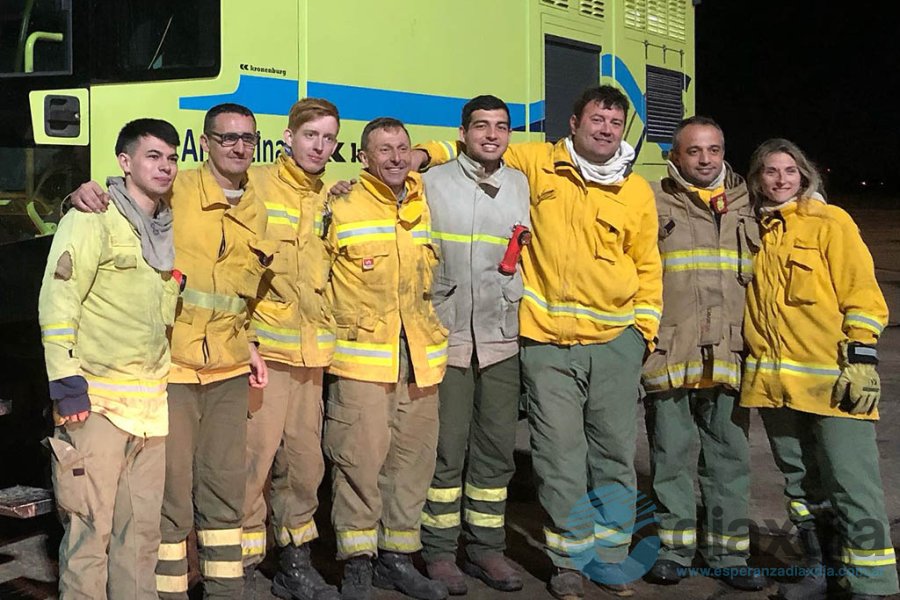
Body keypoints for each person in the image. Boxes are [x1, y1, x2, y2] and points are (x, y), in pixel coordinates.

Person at [414, 85, 662, 599]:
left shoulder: (636, 189)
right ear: (573, 124)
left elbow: (647, 264)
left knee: (614, 455)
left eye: (615, 123)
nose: (605, 130)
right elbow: (474, 145)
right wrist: (422, 153)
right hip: (545, 342)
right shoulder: (538, 164)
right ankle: (569, 560)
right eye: (596, 120)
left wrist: (643, 333)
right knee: (557, 458)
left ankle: (611, 558)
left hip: (614, 342)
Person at [68, 103, 276, 599]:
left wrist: (250, 343)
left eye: (247, 138)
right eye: (226, 138)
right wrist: (75, 196)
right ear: (204, 143)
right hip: (174, 368)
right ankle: (168, 592)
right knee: (170, 496)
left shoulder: (258, 206)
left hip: (229, 368)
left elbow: (246, 292)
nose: (239, 147)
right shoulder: (174, 189)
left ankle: (226, 591)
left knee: (225, 491)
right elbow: (115, 203)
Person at [741, 138, 898, 600]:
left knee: (852, 482)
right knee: (800, 485)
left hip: (833, 382)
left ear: (804, 175)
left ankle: (872, 582)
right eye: (771, 171)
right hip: (775, 387)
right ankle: (821, 570)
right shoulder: (753, 231)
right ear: (758, 179)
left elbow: (862, 293)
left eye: (790, 170)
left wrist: (862, 357)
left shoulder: (831, 222)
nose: (781, 179)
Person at [39, 118, 181, 599]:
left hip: (150, 412)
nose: (164, 167)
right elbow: (58, 302)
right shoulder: (91, 218)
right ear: (125, 162)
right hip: (95, 406)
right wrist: (67, 385)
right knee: (89, 538)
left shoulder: (165, 227)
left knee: (140, 541)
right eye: (152, 156)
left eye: (171, 158)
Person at [323, 117, 449, 600]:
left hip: (419, 360)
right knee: (358, 463)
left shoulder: (423, 202)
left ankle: (397, 558)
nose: (396, 158)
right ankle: (358, 562)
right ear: (363, 158)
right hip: (361, 362)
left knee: (411, 465)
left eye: (402, 148)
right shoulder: (339, 205)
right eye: (384, 149)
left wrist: (427, 153)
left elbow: (461, 148)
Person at [641, 116, 765, 590]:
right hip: (671, 352)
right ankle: (673, 551)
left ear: (724, 153)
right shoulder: (652, 201)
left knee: (729, 461)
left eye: (713, 149)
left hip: (730, 354)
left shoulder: (749, 204)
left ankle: (728, 555)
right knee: (669, 459)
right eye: (693, 150)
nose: (705, 159)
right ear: (675, 156)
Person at [418, 95, 529, 595]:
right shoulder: (431, 182)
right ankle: (440, 553)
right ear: (461, 133)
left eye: (501, 126)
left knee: (495, 451)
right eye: (481, 126)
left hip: (501, 337)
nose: (491, 134)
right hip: (448, 338)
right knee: (446, 450)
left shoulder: (522, 184)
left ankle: (486, 548)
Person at [240, 98, 340, 600]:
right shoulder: (253, 185)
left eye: (328, 138)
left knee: (304, 466)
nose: (319, 146)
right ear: (288, 137)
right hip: (264, 353)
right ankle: (238, 564)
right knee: (251, 463)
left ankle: (294, 560)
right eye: (310, 135)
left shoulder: (333, 198)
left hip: (312, 356)